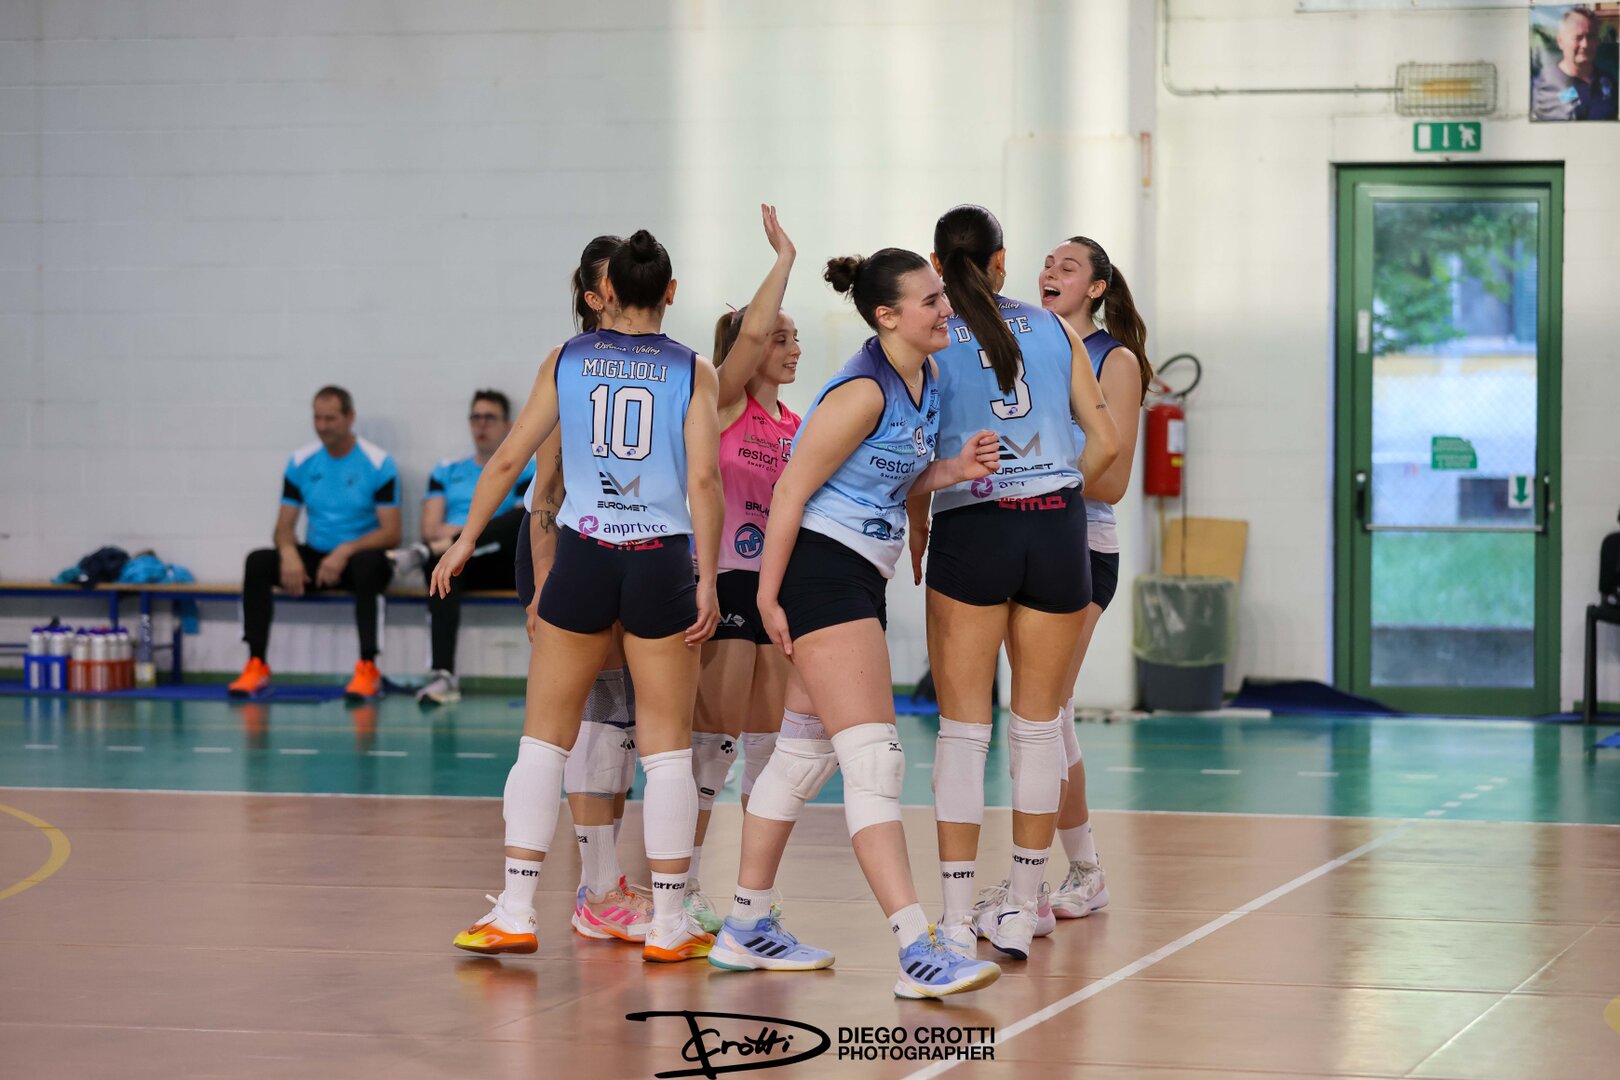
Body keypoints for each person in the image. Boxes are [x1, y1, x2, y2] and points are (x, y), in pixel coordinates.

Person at [707, 248, 1006, 1000]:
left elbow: (895, 473)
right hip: (822, 572)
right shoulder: (861, 392)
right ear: (886, 316)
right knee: (874, 761)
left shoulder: (924, 378)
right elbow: (789, 492)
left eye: (943, 296)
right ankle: (917, 949)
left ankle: (745, 925)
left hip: (858, 574)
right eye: (931, 300)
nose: (946, 309)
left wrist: (954, 470)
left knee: (801, 758)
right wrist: (769, 596)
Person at [435, 229, 723, 964]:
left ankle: (516, 910)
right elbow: (704, 481)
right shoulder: (694, 369)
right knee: (667, 750)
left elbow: (511, 457)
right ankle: (668, 923)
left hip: (585, 557)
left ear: (608, 292)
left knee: (543, 741)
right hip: (661, 560)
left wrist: (465, 541)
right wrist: (708, 580)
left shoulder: (566, 358)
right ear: (670, 292)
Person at [906, 206, 1119, 961]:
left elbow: (910, 448)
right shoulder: (1057, 329)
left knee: (965, 733)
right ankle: (1025, 906)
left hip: (975, 522)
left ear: (938, 265)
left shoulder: (931, 335)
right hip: (1056, 526)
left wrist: (917, 521)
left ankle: (955, 919)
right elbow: (1107, 441)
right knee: (1038, 728)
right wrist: (1054, 485)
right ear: (1001, 261)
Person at [1024, 234, 1153, 921]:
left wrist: (1036, 473)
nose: (1051, 272)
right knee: (1044, 711)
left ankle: (1048, 879)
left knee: (1043, 712)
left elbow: (1114, 479)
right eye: (1047, 264)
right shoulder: (1028, 347)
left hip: (1081, 542)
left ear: (1096, 288)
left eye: (1068, 267)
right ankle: (1081, 871)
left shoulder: (1114, 360)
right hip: (1024, 535)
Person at [686, 206, 801, 932]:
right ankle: (683, 886)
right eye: (779, 338)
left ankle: (754, 899)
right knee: (713, 745)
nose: (792, 349)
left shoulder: (797, 427)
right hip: (725, 579)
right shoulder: (722, 407)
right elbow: (751, 333)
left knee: (769, 749)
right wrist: (783, 258)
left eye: (795, 339)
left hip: (775, 593)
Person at [231, 386, 401, 700]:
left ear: (350, 417)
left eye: (330, 419)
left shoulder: (378, 463)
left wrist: (345, 551)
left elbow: (391, 533)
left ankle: (368, 667)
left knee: (370, 566)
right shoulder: (301, 462)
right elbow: (283, 527)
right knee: (258, 561)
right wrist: (288, 553)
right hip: (316, 559)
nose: (322, 426)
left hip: (357, 558)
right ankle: (256, 664)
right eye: (317, 418)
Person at [390, 390, 535, 705]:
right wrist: (462, 541)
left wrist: (461, 536)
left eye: (489, 418)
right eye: (476, 417)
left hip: (506, 561)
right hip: (464, 562)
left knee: (521, 517)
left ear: (507, 425)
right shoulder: (446, 470)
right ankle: (443, 676)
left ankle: (428, 551)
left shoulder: (526, 469)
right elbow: (430, 528)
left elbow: (518, 527)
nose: (481, 425)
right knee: (441, 567)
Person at [1532, 6, 1618, 121]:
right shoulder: (1543, 86)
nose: (1585, 44)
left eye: (1591, 37)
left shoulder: (1608, 82)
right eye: (1578, 38)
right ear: (1560, 41)